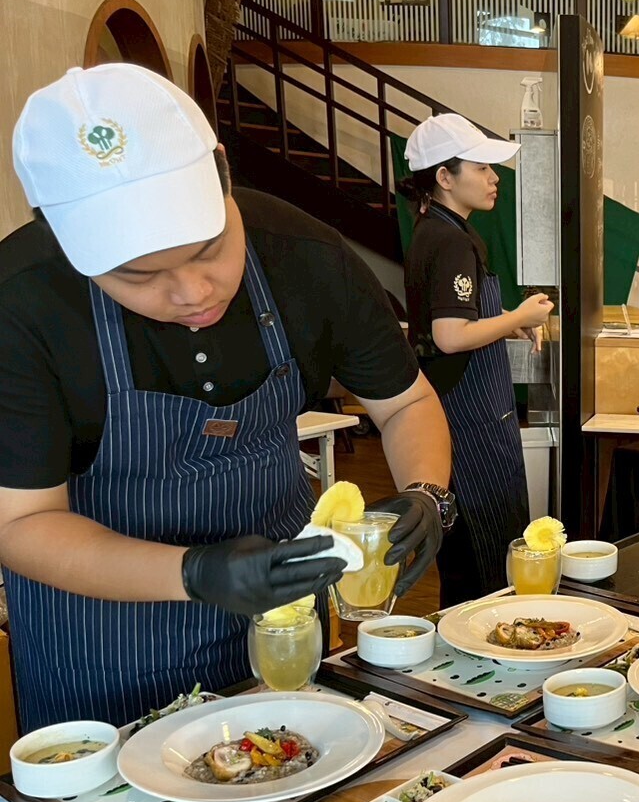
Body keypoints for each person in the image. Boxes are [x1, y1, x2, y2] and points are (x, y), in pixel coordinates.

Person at [0, 64, 453, 732]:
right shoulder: (22, 305)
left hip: (283, 622)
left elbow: (404, 402)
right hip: (98, 653)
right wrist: (193, 573)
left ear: (223, 172)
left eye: (210, 248)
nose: (193, 293)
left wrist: (426, 492)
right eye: (139, 275)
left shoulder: (305, 257)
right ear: (62, 237)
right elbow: (21, 524)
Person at [400, 114, 553, 609]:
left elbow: (455, 319)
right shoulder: (450, 240)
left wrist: (506, 319)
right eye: (482, 168)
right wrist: (520, 316)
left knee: (472, 562)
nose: (494, 178)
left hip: (462, 413)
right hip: (469, 422)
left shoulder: (437, 230)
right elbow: (450, 336)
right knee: (486, 567)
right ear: (444, 177)